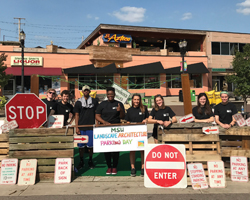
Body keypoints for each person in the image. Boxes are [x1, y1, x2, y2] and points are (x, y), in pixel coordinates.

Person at [95, 87, 125, 175]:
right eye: (108, 94)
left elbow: (122, 117)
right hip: (105, 129)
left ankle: (114, 167)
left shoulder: (119, 104)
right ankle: (109, 167)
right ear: (106, 95)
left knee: (116, 149)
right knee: (107, 148)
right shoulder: (102, 104)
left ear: (114, 94)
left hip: (116, 129)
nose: (110, 96)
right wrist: (104, 122)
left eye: (112, 94)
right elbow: (97, 116)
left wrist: (121, 110)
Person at [74, 85, 98, 170]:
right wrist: (77, 127)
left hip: (91, 127)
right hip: (81, 127)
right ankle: (81, 161)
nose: (86, 91)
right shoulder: (78, 102)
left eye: (87, 90)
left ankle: (90, 160)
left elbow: (96, 114)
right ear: (82, 92)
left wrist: (97, 124)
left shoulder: (94, 101)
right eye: (85, 90)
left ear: (90, 91)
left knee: (90, 146)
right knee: (81, 146)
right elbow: (76, 115)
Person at [125, 94, 149, 177]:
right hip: (132, 134)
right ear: (132, 100)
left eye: (138, 99)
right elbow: (127, 121)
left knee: (142, 150)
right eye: (135, 99)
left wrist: (145, 120)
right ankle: (133, 168)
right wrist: (130, 124)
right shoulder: (129, 110)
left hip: (141, 134)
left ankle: (143, 167)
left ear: (140, 100)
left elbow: (148, 118)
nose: (136, 101)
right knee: (132, 151)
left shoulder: (144, 109)